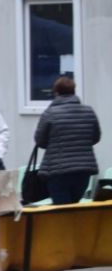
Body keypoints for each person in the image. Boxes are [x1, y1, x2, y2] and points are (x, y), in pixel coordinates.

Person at [34, 75, 102, 205]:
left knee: (62, 210)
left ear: (56, 92)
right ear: (74, 91)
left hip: (58, 171)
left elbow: (40, 141)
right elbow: (95, 137)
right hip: (83, 170)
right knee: (74, 207)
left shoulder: (50, 113)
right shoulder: (88, 112)